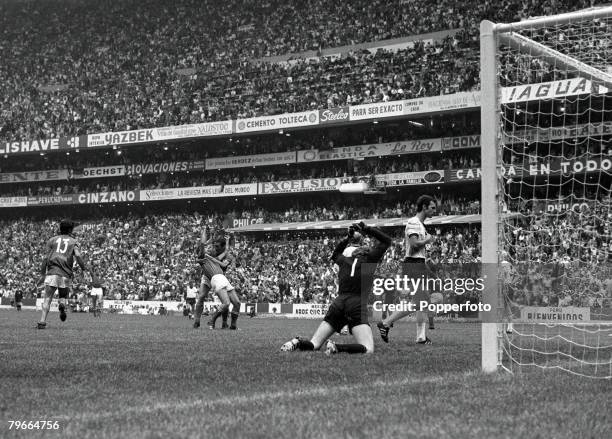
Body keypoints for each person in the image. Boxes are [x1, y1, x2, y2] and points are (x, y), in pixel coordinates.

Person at [281, 222, 392, 355]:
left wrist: (348, 238)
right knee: (368, 348)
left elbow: (335, 253)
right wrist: (366, 228)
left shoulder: (344, 260)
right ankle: (337, 347)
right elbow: (387, 240)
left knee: (315, 344)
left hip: (338, 303)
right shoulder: (370, 260)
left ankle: (297, 342)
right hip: (356, 303)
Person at [377, 195, 437, 344]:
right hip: (413, 265)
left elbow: (417, 250)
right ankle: (385, 323)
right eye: (432, 208)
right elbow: (414, 244)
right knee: (421, 302)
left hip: (418, 264)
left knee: (423, 301)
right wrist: (428, 240)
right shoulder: (414, 222)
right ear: (424, 207)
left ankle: (421, 336)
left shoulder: (420, 225)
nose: (434, 211)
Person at [37, 220, 88, 329]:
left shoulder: (52, 240)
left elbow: (46, 258)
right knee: (63, 295)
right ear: (70, 230)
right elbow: (78, 256)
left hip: (52, 271)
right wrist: (84, 269)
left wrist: (42, 275)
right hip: (65, 273)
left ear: (60, 229)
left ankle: (42, 321)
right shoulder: (73, 241)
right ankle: (62, 304)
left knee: (47, 298)